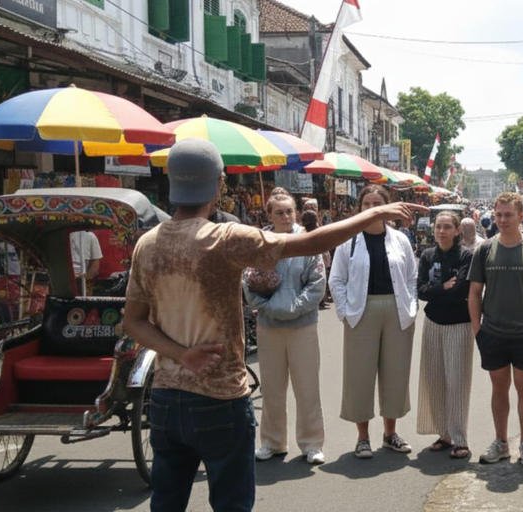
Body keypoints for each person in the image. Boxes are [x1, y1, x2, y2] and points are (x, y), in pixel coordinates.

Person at [124, 139, 427, 511]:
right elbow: (309, 243)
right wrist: (372, 216)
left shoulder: (147, 244)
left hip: (166, 399)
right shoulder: (224, 238)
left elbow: (134, 322)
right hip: (220, 398)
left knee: (166, 503)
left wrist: (181, 355)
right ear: (219, 184)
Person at [329, 185, 419, 459]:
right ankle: (362, 437)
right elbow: (336, 280)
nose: (371, 208)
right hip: (361, 312)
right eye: (366, 204)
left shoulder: (400, 239)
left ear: (388, 208)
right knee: (359, 376)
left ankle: (390, 433)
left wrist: (411, 305)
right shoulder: (348, 240)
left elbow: (412, 277)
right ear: (359, 208)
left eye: (377, 203)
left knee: (395, 373)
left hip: (397, 311)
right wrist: (346, 312)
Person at [468, 192, 523, 467]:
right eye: (499, 215)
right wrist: (477, 330)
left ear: (521, 216)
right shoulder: (484, 250)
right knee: (499, 388)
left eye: (508, 215)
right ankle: (501, 441)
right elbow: (475, 292)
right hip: (493, 332)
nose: (502, 220)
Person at [243, 194, 327, 466]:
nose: (285, 217)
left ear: (297, 213)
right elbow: (248, 282)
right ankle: (272, 441)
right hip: (269, 326)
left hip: (302, 325)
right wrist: (266, 305)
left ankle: (312, 443)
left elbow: (317, 284)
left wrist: (292, 307)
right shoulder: (259, 244)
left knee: (307, 387)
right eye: (278, 212)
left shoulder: (307, 243)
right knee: (272, 388)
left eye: (289, 211)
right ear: (269, 215)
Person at [417, 211, 474, 459]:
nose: (442, 232)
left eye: (447, 227)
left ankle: (460, 438)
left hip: (459, 324)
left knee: (457, 382)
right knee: (435, 380)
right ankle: (444, 433)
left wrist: (439, 290)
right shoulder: (428, 255)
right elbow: (420, 290)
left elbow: (461, 288)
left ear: (457, 230)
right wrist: (441, 286)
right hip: (433, 322)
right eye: (438, 227)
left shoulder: (466, 256)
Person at [70, 230, 102, 296]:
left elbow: (95, 261)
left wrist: (86, 278)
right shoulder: (60, 234)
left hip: (81, 280)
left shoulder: (90, 236)